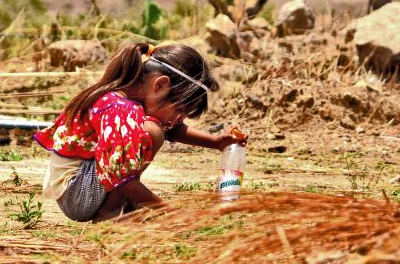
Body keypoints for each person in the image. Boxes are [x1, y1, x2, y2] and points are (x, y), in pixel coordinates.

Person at [34, 42, 247, 222]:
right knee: (153, 131)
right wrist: (169, 211)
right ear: (160, 85)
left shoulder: (131, 96)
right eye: (180, 110)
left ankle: (119, 205)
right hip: (78, 194)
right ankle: (110, 212)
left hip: (83, 184)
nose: (177, 119)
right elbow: (121, 174)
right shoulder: (120, 109)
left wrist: (216, 141)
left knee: (157, 129)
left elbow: (173, 129)